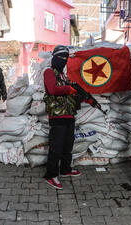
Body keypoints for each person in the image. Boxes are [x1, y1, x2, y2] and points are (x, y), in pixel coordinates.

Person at [43, 45, 94, 190]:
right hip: (57, 117)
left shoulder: (63, 76)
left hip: (69, 115)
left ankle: (65, 169)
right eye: (61, 58)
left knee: (68, 146)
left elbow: (70, 92)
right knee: (56, 147)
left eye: (66, 58)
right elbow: (52, 89)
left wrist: (80, 96)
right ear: (55, 58)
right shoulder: (49, 72)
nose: (64, 60)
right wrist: (69, 89)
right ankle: (51, 175)